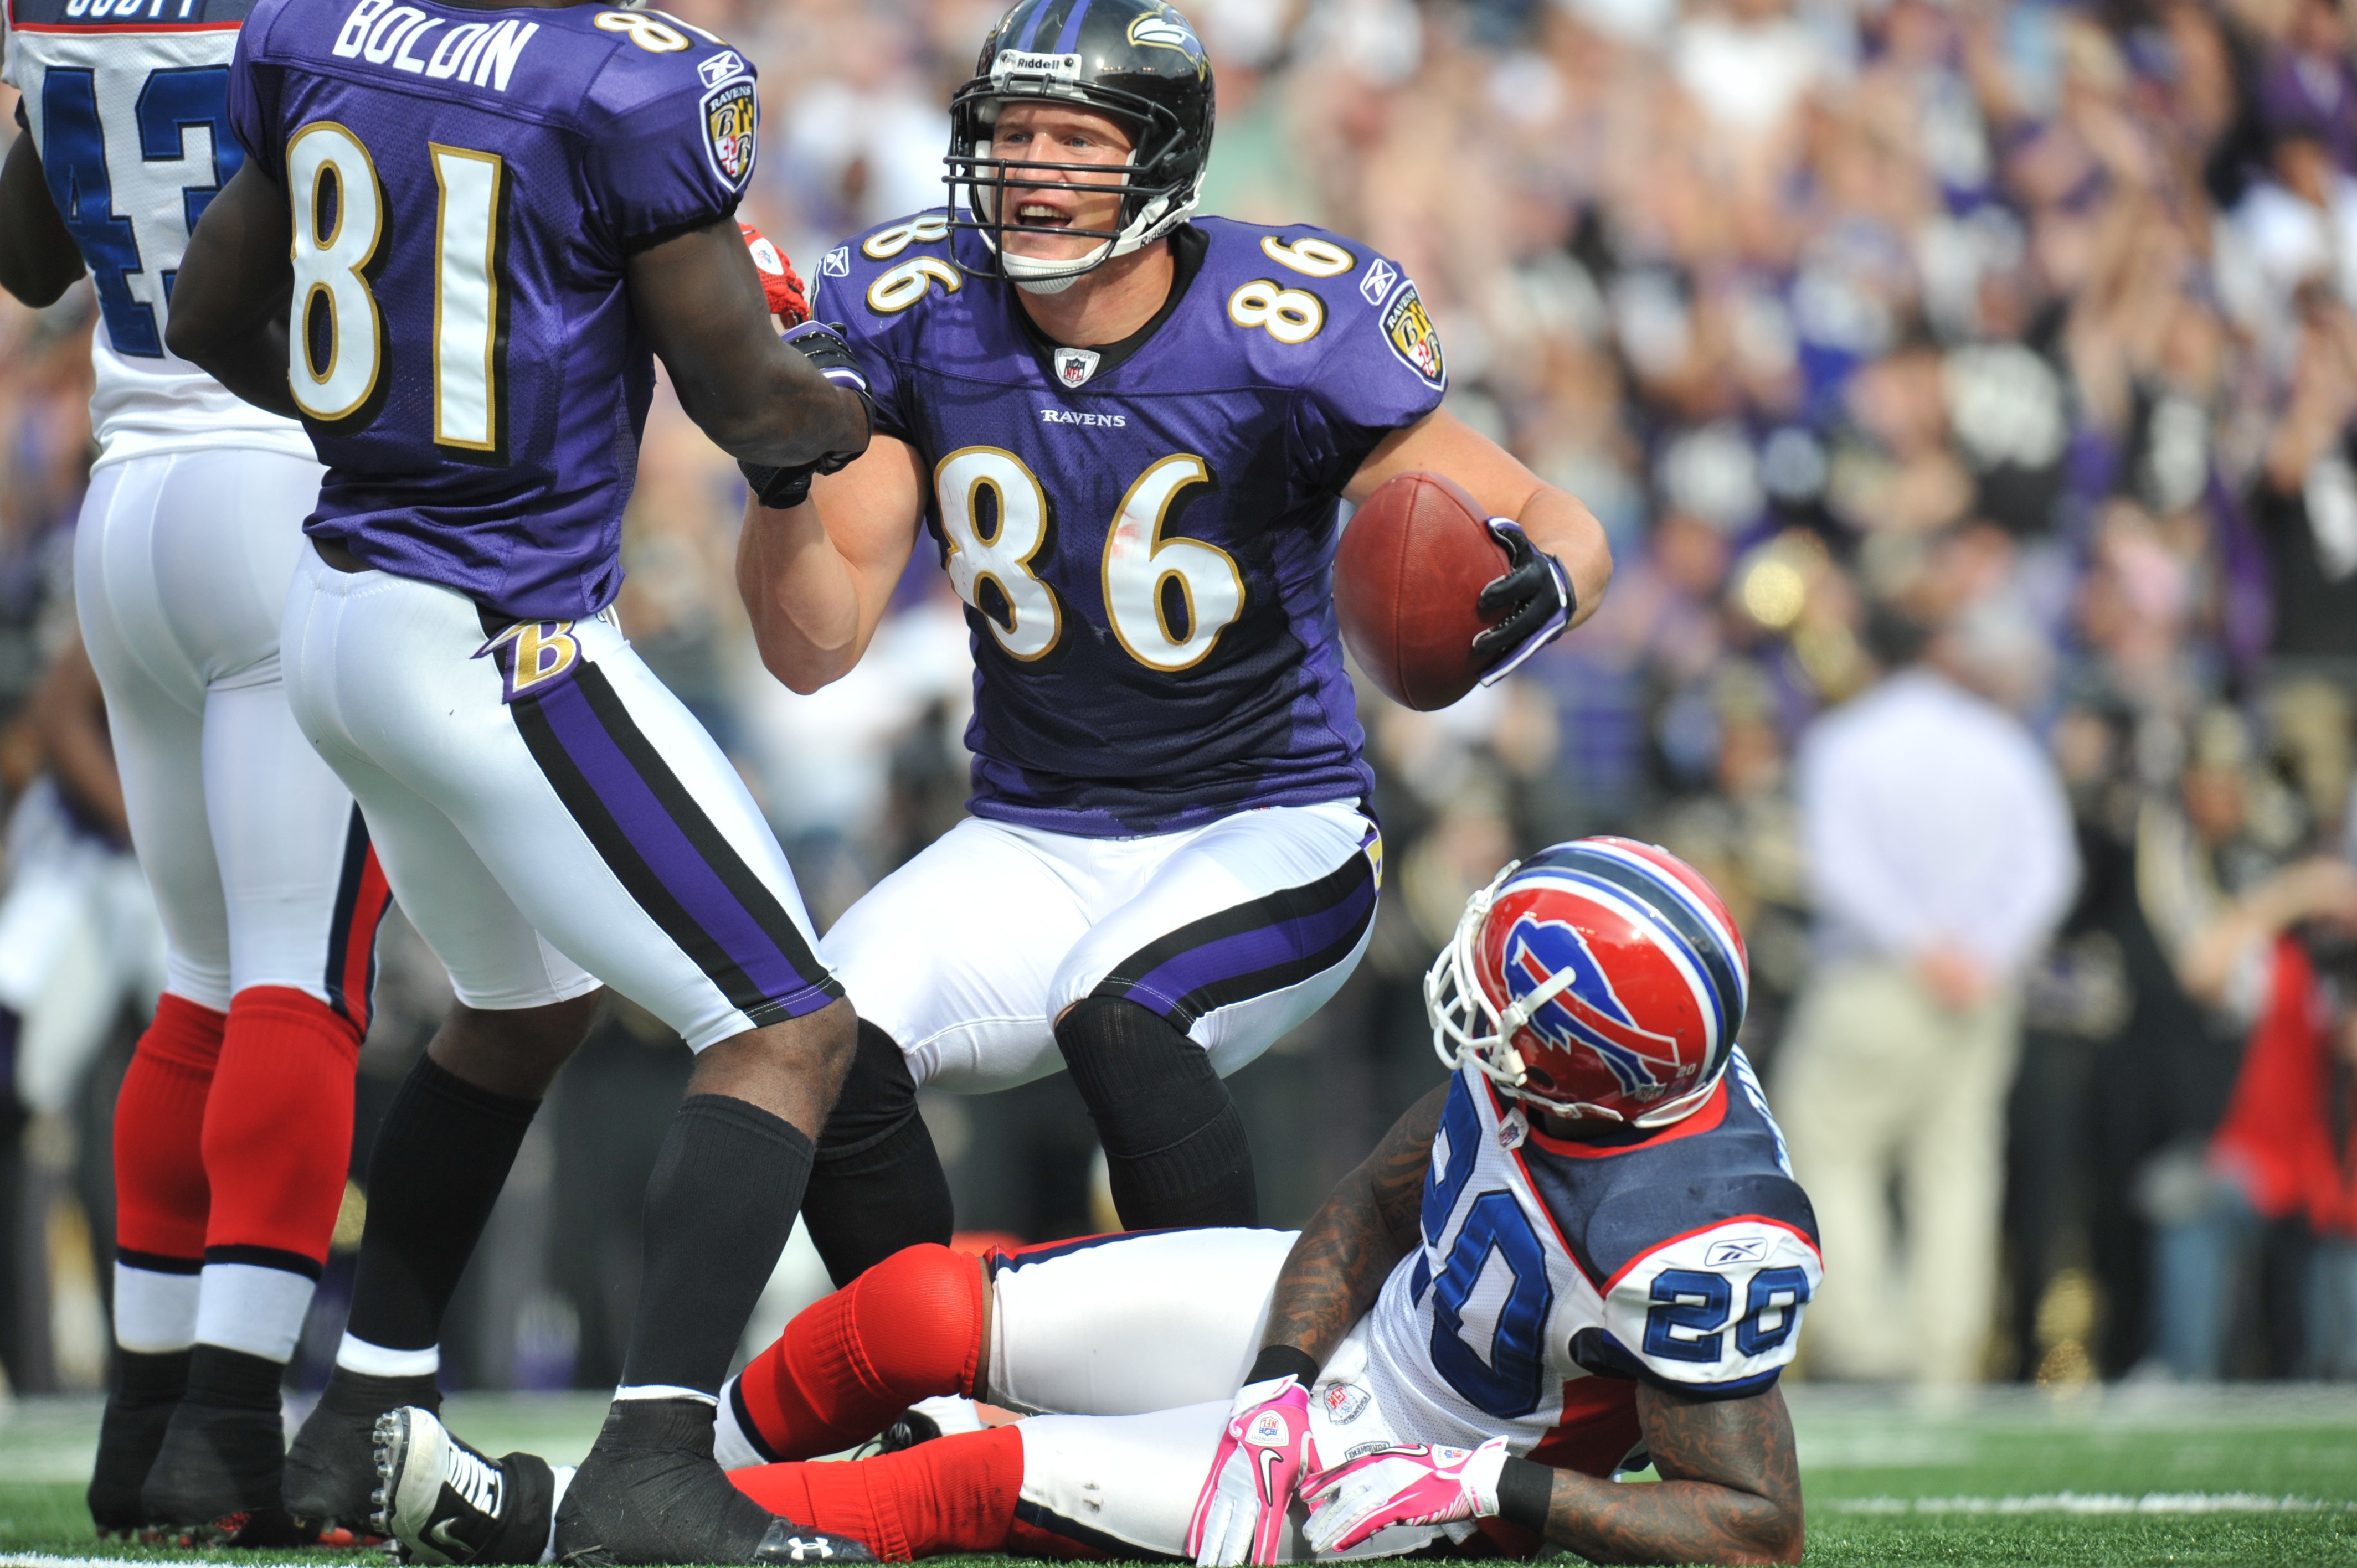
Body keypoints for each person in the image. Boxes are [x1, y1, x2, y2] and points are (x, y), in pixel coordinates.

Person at [739, 0, 1614, 1276]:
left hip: (1269, 819)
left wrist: (1551, 580)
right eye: (1010, 131)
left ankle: (1228, 1409)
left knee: (1124, 1017)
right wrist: (774, 475)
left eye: (1071, 138)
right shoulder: (918, 308)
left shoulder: (1283, 325)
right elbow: (811, 647)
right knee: (817, 1040)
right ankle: (914, 1394)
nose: (1031, 166)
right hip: (1033, 831)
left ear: (1157, 158)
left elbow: (1548, 512)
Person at [163, 0, 875, 1559]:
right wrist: (855, 397)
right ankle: (656, 1470)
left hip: (343, 607)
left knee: (524, 1006)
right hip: (503, 631)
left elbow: (207, 314)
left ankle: (361, 1413)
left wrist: (393, 423)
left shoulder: (315, 25)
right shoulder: (634, 78)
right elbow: (748, 399)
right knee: (788, 1028)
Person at [374, 839, 1818, 1567]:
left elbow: (1753, 1525)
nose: (1479, 1011)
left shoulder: (1701, 1228)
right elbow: (1373, 1210)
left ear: (1591, 1066)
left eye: (1512, 1008)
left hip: (1420, 1472)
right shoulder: (1588, 1070)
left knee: (968, 1481)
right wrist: (1276, 1379)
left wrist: (1486, 1487)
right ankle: (675, 1469)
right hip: (1352, 1360)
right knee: (924, 1302)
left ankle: (560, 1529)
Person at [1, 0, 397, 1538]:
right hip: (284, 486)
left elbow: (33, 257)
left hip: (129, 504)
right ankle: (230, 1425)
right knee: (299, 979)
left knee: (201, 983)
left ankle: (144, 1419)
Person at [1772, 607, 2078, 1384]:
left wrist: (1922, 946)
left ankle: (1868, 1345)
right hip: (1979, 984)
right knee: (1958, 1164)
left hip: (1873, 978)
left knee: (1831, 1150)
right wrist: (1984, 951)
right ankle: (1946, 1354)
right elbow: (2051, 868)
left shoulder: (1843, 741)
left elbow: (1837, 869)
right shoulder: (2001, 742)